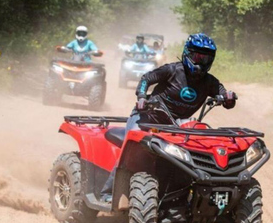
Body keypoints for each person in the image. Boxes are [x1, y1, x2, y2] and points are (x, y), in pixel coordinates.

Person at [100, 33, 237, 202]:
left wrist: (228, 97)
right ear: (188, 53)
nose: (201, 62)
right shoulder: (172, 70)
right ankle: (107, 193)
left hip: (177, 124)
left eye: (206, 58)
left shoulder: (210, 82)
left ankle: (182, 195)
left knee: (190, 152)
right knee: (130, 151)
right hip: (147, 118)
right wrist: (142, 97)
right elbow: (146, 78)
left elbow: (225, 97)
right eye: (197, 56)